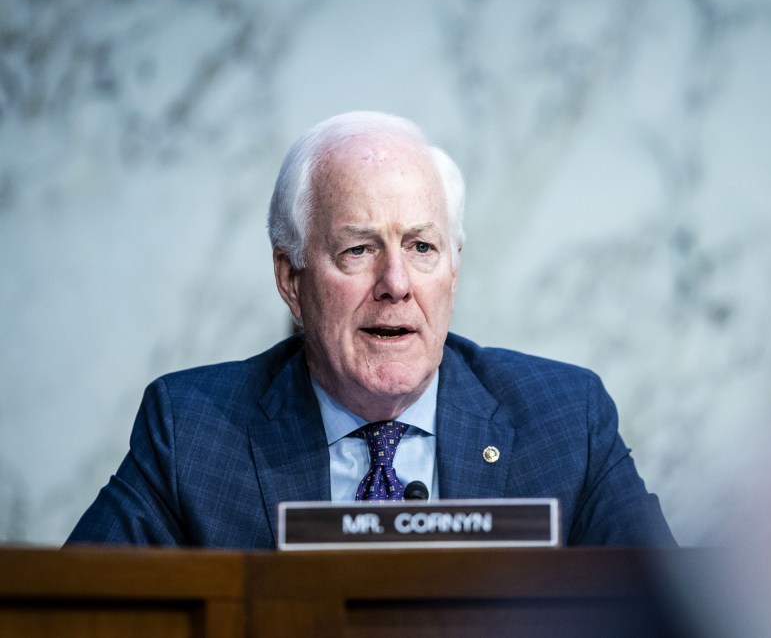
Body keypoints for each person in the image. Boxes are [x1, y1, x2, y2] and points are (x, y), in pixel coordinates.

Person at [67, 111, 675, 548]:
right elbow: (75, 613)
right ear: (290, 278)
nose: (396, 283)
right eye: (359, 249)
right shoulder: (194, 433)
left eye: (421, 247)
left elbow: (667, 615)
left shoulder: (566, 422)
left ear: (454, 272)